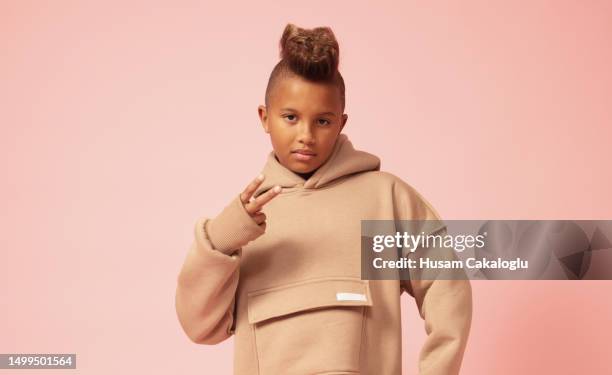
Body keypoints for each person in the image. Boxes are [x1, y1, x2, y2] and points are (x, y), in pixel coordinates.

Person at [175, 23, 472, 375]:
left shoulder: (383, 200)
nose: (306, 135)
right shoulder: (247, 220)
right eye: (290, 117)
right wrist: (222, 239)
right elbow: (198, 326)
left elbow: (447, 285)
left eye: (323, 121)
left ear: (342, 123)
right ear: (264, 118)